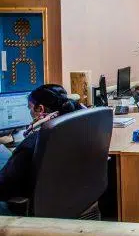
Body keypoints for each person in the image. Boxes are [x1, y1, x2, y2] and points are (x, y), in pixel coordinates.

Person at [0, 84, 85, 215]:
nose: (30, 112)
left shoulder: (32, 143)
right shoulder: (76, 128)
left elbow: (3, 186)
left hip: (28, 206)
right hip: (71, 200)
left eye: (30, 108)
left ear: (40, 109)